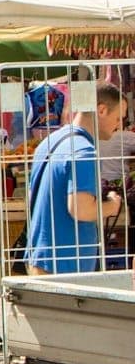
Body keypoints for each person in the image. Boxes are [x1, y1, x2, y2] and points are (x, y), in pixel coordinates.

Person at [25, 83, 125, 275]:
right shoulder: (84, 151)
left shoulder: (49, 143)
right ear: (101, 110)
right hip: (67, 266)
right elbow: (81, 210)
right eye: (118, 118)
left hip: (40, 258)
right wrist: (112, 205)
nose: (119, 125)